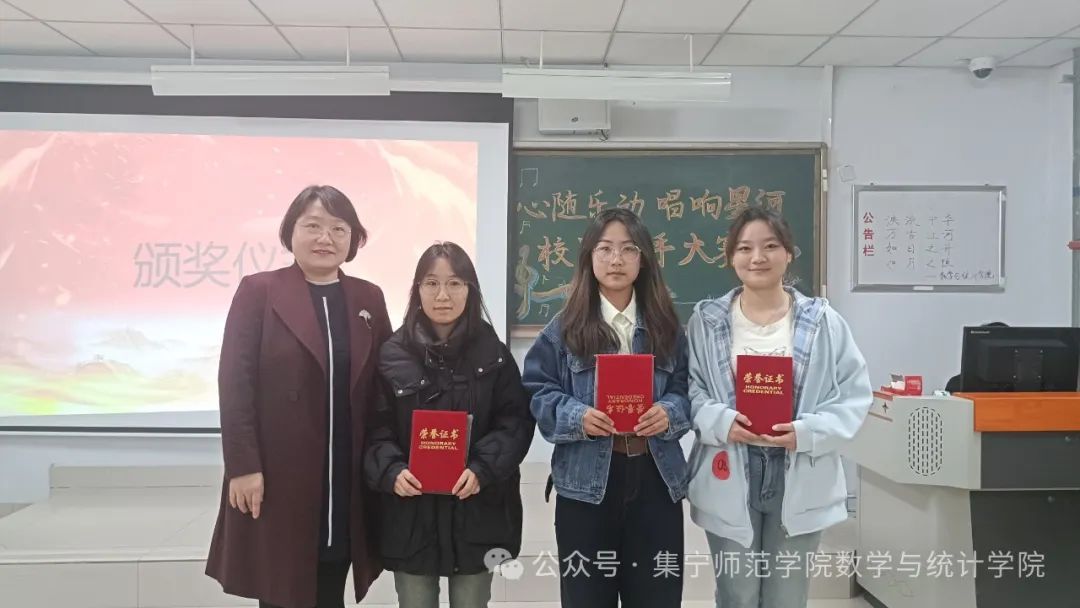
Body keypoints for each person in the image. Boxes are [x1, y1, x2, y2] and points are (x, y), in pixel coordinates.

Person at [205, 185, 392, 608]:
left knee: (332, 576)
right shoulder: (259, 291)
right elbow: (235, 384)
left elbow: (386, 384)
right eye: (313, 226)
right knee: (282, 585)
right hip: (278, 472)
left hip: (345, 472)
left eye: (338, 228)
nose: (326, 238)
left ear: (353, 239)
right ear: (291, 231)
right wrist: (243, 466)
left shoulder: (368, 297)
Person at [685, 206, 873, 608]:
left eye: (770, 246)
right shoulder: (707, 321)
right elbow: (692, 390)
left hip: (798, 467)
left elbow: (855, 396)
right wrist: (721, 421)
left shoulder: (823, 322)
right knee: (737, 594)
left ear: (788, 253)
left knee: (786, 596)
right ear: (730, 257)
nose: (758, 257)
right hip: (731, 465)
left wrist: (807, 432)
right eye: (745, 248)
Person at [521, 208, 692, 608]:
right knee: (587, 598)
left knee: (657, 596)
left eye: (628, 249)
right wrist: (577, 417)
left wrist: (669, 411)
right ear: (589, 257)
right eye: (605, 249)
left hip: (655, 479)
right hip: (586, 486)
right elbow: (537, 392)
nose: (616, 259)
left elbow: (688, 388)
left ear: (643, 259)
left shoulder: (666, 325)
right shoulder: (563, 328)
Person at [364, 242, 534, 608]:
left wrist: (483, 469)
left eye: (455, 283)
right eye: (432, 283)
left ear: (470, 290)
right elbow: (374, 426)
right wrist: (392, 471)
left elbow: (515, 421)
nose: (443, 295)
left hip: (477, 510)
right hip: (411, 514)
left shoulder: (494, 353)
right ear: (417, 290)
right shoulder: (391, 354)